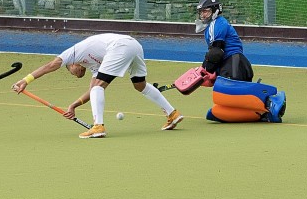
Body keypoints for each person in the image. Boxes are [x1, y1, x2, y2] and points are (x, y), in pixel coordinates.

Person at [12, 33, 182, 138]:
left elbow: (50, 66)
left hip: (121, 46)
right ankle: (172, 113)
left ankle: (98, 127)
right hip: (133, 46)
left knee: (98, 87)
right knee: (140, 85)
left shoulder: (72, 53)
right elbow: (93, 90)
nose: (76, 74)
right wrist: (74, 105)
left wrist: (26, 80)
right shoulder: (94, 65)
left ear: (71, 64)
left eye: (72, 71)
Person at [195, 0, 253, 82]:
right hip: (235, 64)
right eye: (201, 12)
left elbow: (216, 52)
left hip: (233, 65)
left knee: (227, 90)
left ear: (215, 11)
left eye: (205, 11)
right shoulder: (215, 24)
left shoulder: (216, 24)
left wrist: (205, 70)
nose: (202, 15)